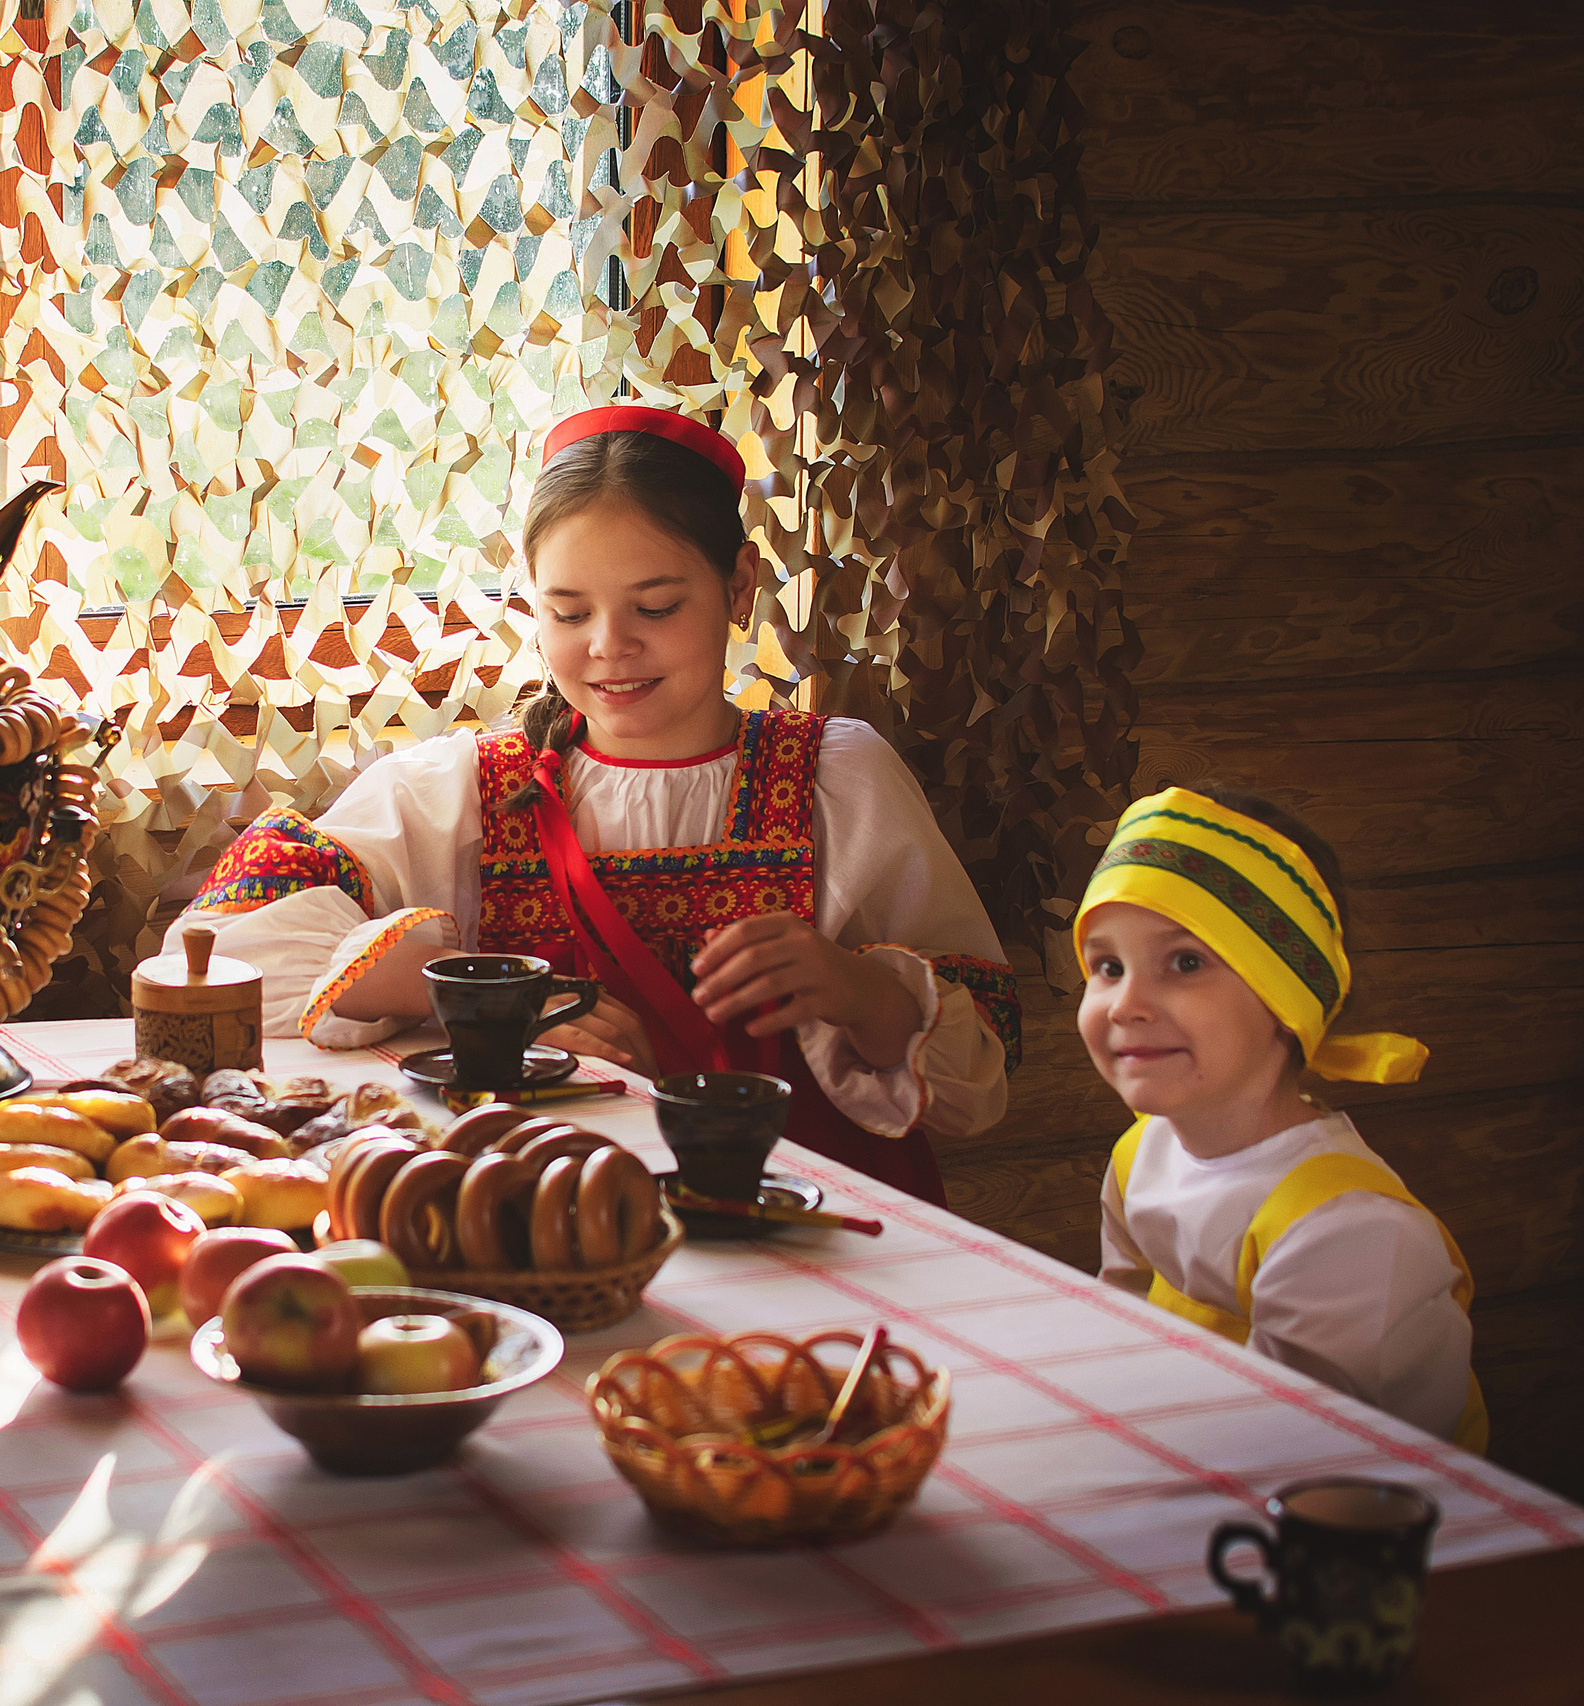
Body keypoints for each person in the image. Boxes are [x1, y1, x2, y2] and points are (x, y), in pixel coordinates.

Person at [172, 406, 1018, 1202]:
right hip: (546, 1217)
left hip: (806, 1217)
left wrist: (858, 988)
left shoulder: (836, 778)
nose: (610, 645)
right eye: (568, 612)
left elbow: (982, 1071)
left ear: (739, 586)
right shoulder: (466, 794)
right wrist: (478, 998)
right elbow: (225, 943)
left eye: (656, 606)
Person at [1079, 786, 1484, 1449]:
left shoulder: (1345, 1231)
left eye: (1185, 962)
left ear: (1286, 997)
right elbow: (1120, 1332)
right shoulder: (1143, 1151)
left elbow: (1297, 1460)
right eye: (1107, 965)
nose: (1125, 1003)